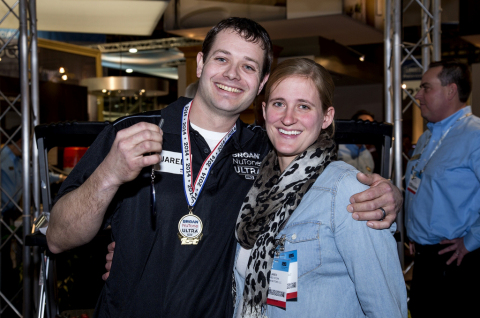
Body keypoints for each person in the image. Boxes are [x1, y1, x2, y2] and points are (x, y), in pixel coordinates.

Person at [47, 18, 402, 318]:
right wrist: (108, 175)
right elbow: (58, 238)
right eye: (222, 59)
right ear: (200, 64)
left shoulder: (269, 148)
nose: (232, 74)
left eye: (248, 66)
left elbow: (325, 176)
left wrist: (390, 195)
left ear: (261, 84)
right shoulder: (132, 134)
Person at [234, 58, 407, 318]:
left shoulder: (348, 190)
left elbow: (386, 308)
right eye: (279, 104)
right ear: (264, 109)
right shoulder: (252, 187)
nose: (288, 118)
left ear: (326, 117)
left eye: (303, 106)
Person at [405, 61, 480, 318]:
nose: (417, 95)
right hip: (425, 260)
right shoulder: (427, 137)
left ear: (450, 91)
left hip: (458, 261)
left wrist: (473, 240)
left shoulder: (476, 135)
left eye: (426, 87)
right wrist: (415, 232)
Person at [338, 110, 376, 174]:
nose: (367, 128)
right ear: (354, 126)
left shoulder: (368, 153)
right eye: (364, 124)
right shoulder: (337, 149)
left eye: (371, 125)